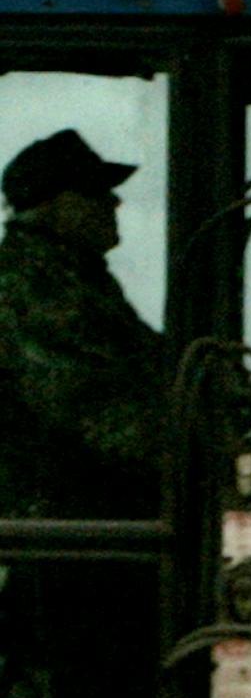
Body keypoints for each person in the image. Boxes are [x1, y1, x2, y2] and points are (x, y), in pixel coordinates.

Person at [0, 129, 165, 523]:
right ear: (54, 205)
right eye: (95, 191)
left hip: (92, 517)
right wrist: (218, 458)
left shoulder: (74, 278)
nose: (114, 201)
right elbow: (96, 411)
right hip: (60, 535)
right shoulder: (31, 289)